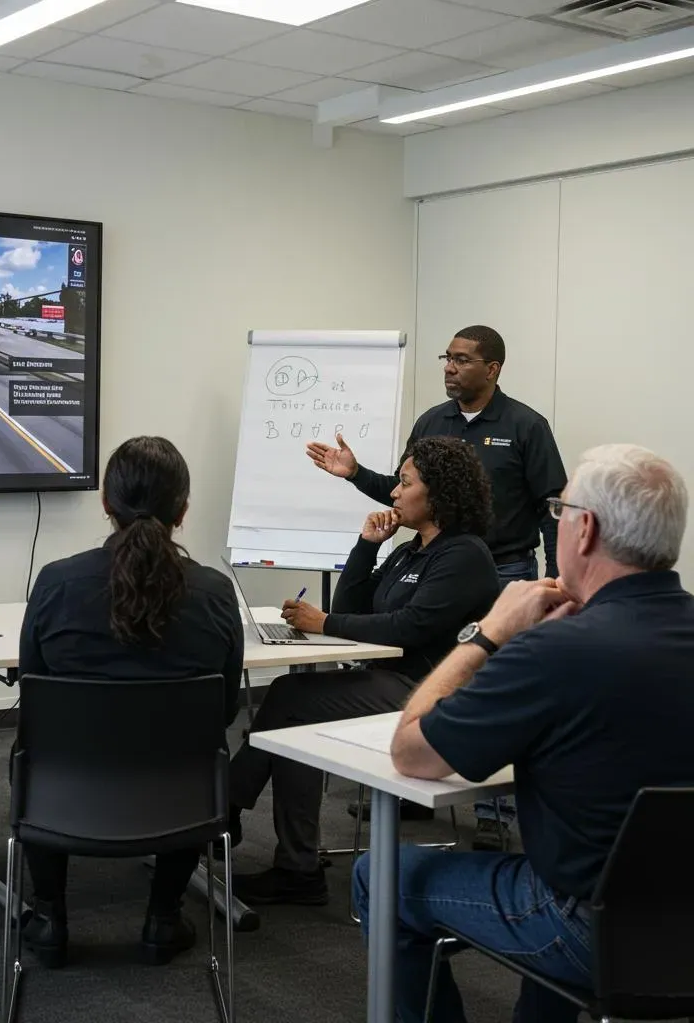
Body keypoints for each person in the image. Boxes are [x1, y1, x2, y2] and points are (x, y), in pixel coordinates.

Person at [354, 444, 694, 1023]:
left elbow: (412, 752)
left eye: (560, 512)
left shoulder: (555, 649)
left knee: (380, 876)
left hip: (590, 926)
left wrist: (488, 636)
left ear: (583, 530)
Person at [308, 324, 567, 846]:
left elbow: (551, 505)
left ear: (492, 369)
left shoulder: (525, 426)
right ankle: (408, 791)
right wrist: (357, 473)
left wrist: (557, 575)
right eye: (447, 358)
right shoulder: (432, 421)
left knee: (490, 686)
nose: (450, 367)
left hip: (503, 567)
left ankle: (495, 814)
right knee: (430, 671)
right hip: (436, 565)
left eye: (463, 359)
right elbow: (406, 488)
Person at [227, 437, 500, 907]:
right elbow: (353, 605)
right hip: (387, 681)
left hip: (427, 694)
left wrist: (324, 623)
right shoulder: (409, 551)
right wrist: (365, 546)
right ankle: (295, 865)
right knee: (297, 710)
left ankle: (227, 808)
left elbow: (409, 627)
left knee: (293, 698)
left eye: (405, 483)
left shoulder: (464, 555)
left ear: (438, 495)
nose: (393, 492)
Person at [14, 436, 244, 968]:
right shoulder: (213, 591)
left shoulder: (57, 581)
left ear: (105, 504)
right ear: (183, 512)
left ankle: (48, 917)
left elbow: (33, 689)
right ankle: (163, 918)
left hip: (62, 789)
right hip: (183, 792)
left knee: (37, 747)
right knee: (199, 749)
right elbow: (226, 707)